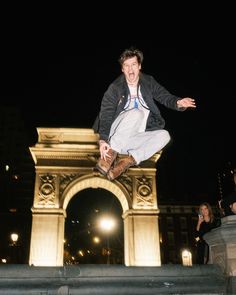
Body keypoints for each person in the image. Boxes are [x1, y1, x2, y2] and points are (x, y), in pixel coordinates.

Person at [93, 47, 196, 180]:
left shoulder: (148, 82)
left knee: (165, 135)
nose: (130, 69)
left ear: (139, 66)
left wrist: (178, 102)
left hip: (133, 140)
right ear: (122, 69)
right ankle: (110, 155)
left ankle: (128, 162)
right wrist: (103, 140)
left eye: (134, 65)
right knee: (137, 113)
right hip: (116, 135)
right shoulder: (115, 88)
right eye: (126, 66)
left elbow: (164, 96)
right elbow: (106, 113)